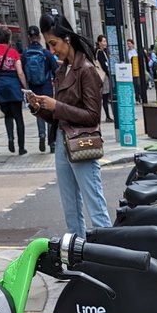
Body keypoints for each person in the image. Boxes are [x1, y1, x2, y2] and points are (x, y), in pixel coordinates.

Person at [29, 14, 112, 236]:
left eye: (53, 43)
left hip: (82, 142)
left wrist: (56, 105)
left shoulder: (86, 69)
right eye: (48, 45)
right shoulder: (61, 71)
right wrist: (39, 108)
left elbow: (92, 116)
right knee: (70, 209)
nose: (51, 50)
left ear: (67, 39)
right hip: (62, 140)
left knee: (96, 209)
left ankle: (110, 252)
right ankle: (78, 252)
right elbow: (59, 116)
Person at [0, 25, 28, 154]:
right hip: (14, 87)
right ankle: (21, 147)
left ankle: (10, 138)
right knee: (18, 117)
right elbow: (20, 73)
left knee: (7, 115)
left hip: (0, 87)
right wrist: (25, 87)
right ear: (9, 38)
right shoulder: (14, 52)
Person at [23, 26, 57, 151]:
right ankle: (51, 142)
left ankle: (42, 135)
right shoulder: (46, 53)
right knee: (49, 112)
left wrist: (26, 87)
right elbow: (56, 70)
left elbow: (22, 72)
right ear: (39, 36)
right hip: (46, 87)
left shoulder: (25, 54)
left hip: (33, 88)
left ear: (29, 37)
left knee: (38, 112)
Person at [95, 34, 113, 123]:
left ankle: (108, 116)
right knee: (105, 97)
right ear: (99, 42)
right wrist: (108, 74)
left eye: (105, 41)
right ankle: (107, 116)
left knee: (105, 97)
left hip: (104, 76)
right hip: (103, 76)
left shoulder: (103, 52)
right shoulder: (99, 52)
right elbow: (103, 65)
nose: (105, 43)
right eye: (104, 41)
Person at [126, 38, 141, 103]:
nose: (128, 45)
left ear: (132, 44)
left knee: (138, 84)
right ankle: (137, 98)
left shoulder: (136, 51)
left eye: (129, 43)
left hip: (137, 69)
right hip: (131, 70)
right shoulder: (127, 52)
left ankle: (140, 96)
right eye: (127, 44)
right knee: (135, 84)